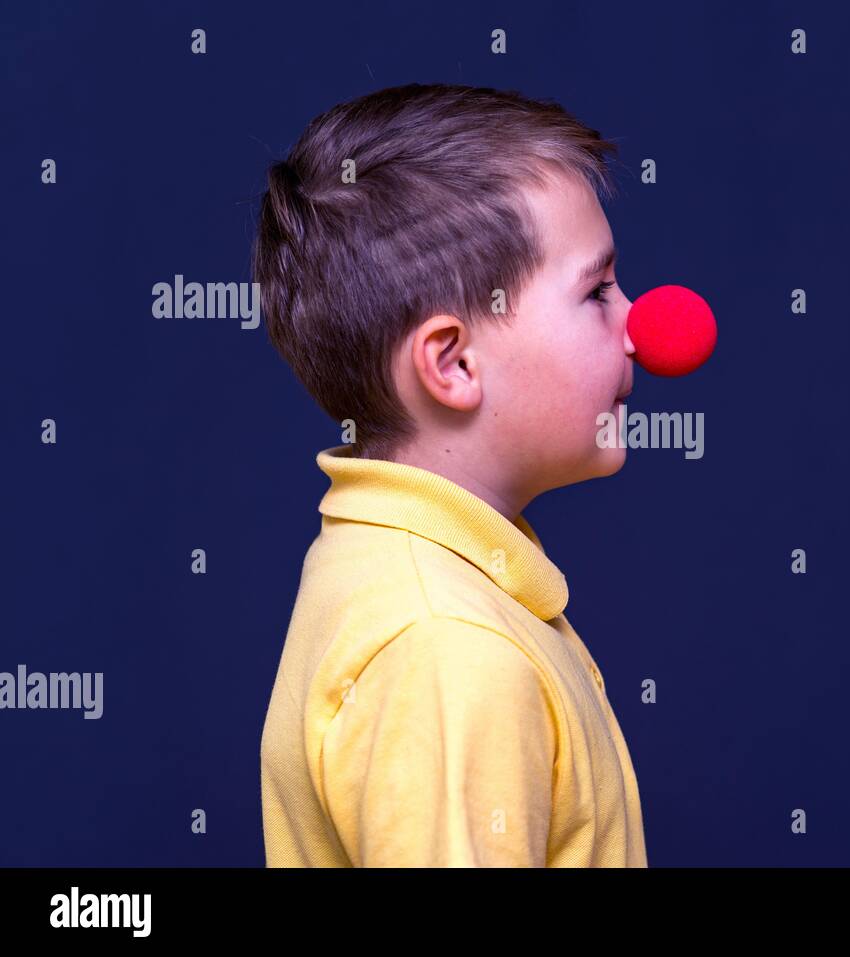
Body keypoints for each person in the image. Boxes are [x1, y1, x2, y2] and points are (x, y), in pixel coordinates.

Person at [254, 83, 646, 866]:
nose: (638, 321)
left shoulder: (387, 564)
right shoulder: (448, 648)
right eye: (597, 291)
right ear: (454, 362)